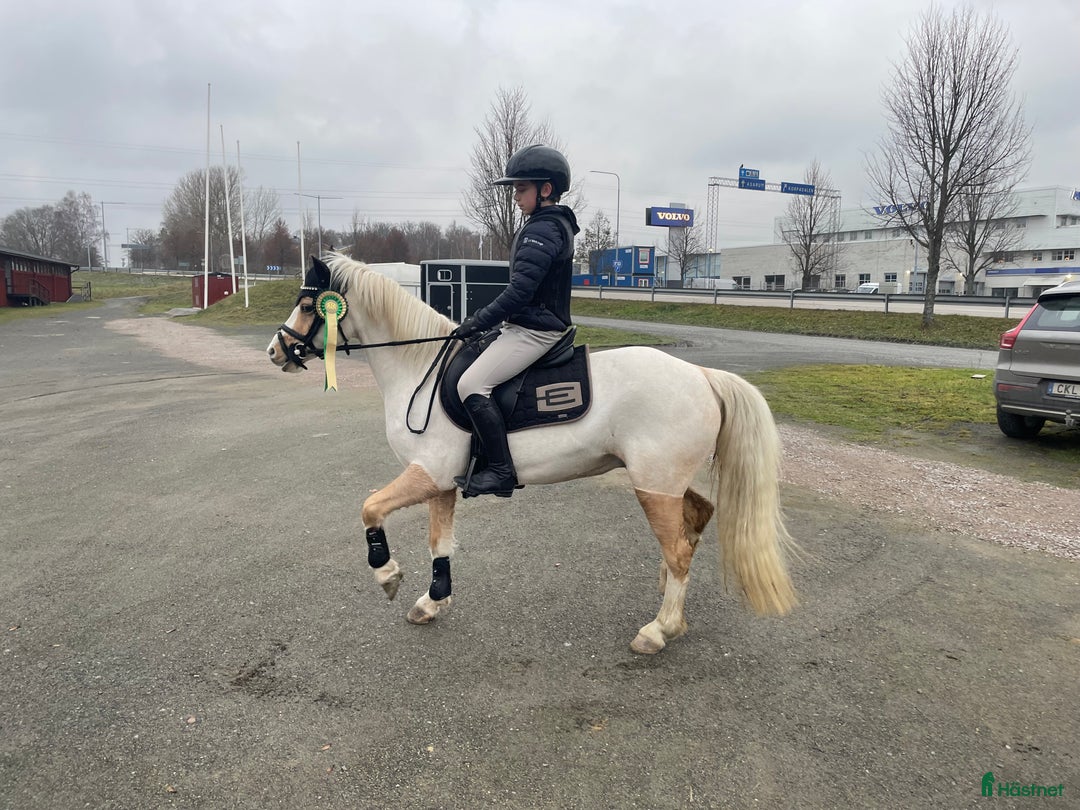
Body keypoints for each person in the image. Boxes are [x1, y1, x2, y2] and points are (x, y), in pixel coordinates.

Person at [451, 144, 580, 498]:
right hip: (527, 323)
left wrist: (476, 321)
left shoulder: (544, 230)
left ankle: (501, 470)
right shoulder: (544, 225)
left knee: (471, 385)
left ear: (546, 189)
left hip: (535, 331)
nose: (516, 197)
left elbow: (520, 293)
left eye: (521, 189)